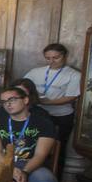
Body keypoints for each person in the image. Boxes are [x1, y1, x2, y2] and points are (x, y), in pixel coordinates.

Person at [25, 43, 81, 173]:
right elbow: (22, 87)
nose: (52, 61)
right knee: (32, 145)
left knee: (58, 148)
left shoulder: (73, 75)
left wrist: (46, 102)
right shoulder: (35, 72)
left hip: (61, 116)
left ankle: (54, 177)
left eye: (56, 58)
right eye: (48, 58)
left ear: (64, 56)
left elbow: (71, 97)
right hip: (37, 114)